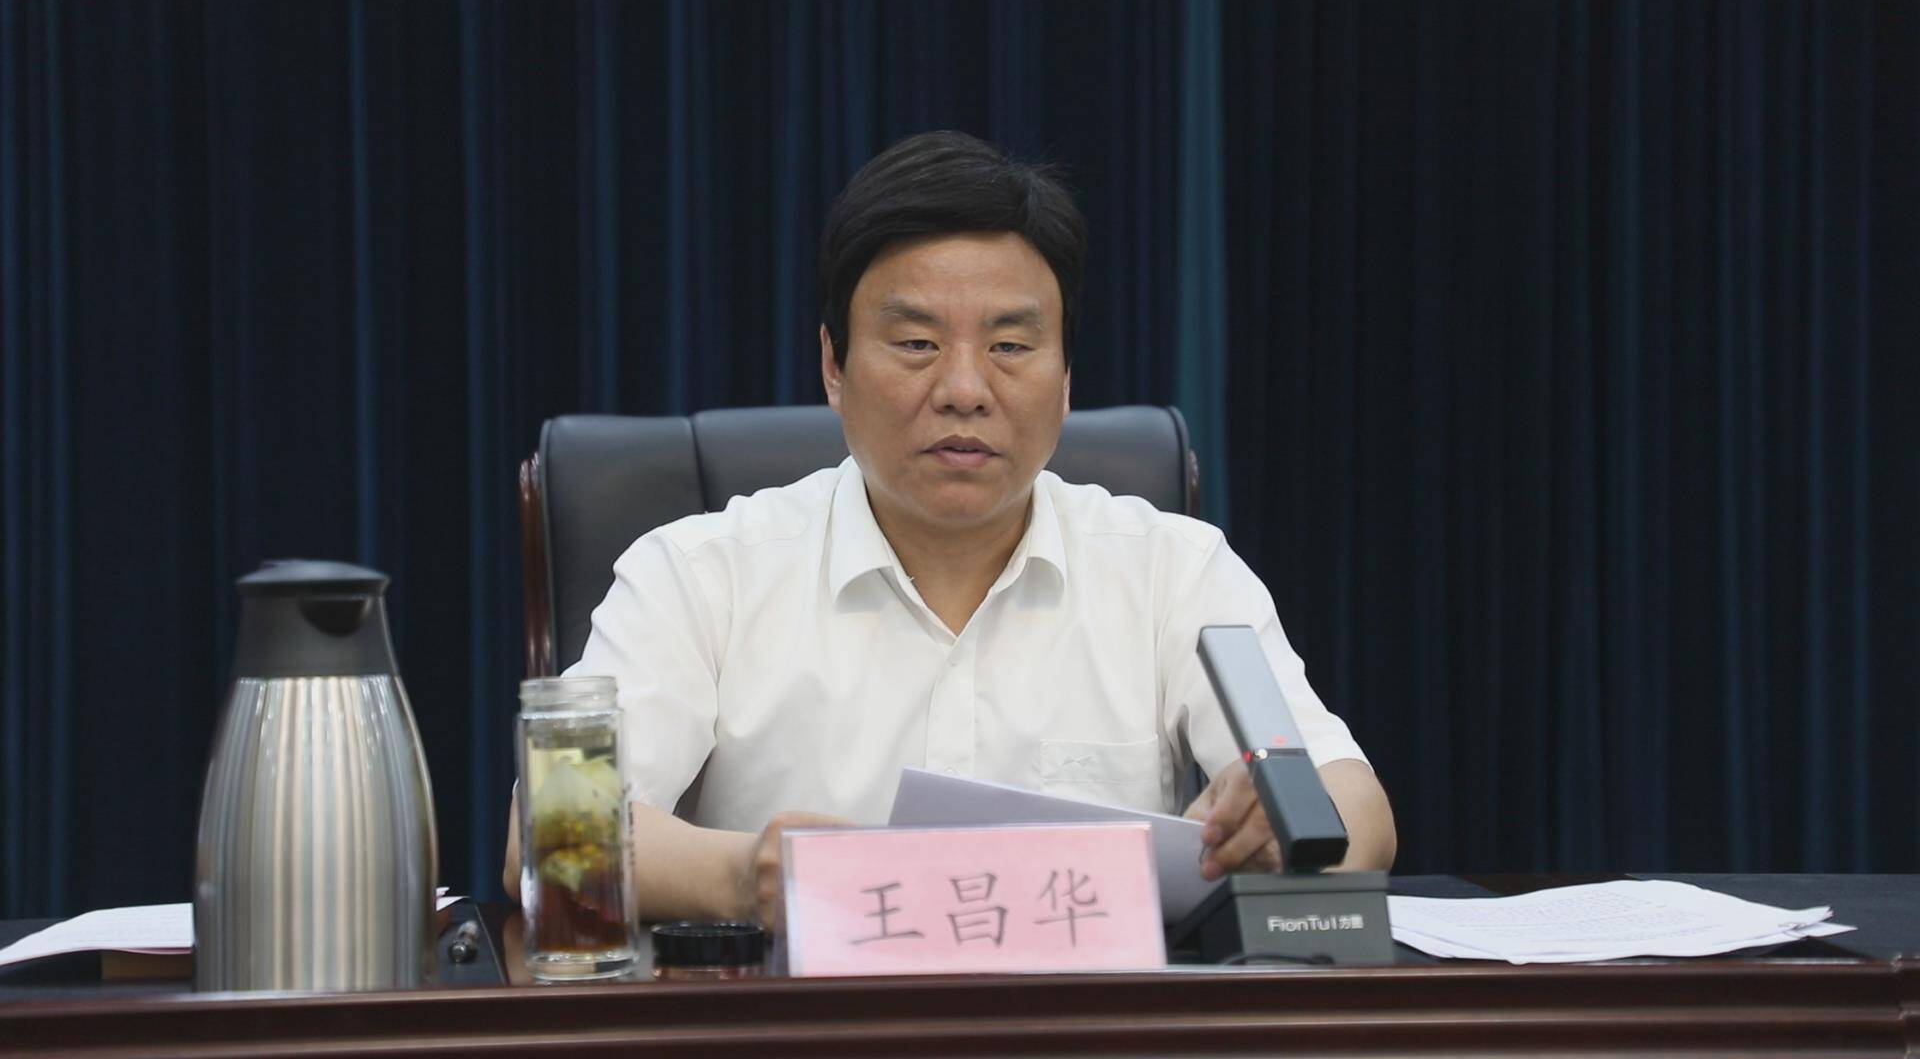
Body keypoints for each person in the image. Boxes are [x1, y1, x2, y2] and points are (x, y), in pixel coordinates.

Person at [504, 130, 1395, 930]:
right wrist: (746, 878)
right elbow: (547, 838)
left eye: (1010, 346)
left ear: (1066, 377)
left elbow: (1356, 807)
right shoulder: (698, 575)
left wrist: (1285, 826)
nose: (965, 389)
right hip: (799, 1029)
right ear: (833, 366)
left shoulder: (1173, 570)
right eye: (916, 344)